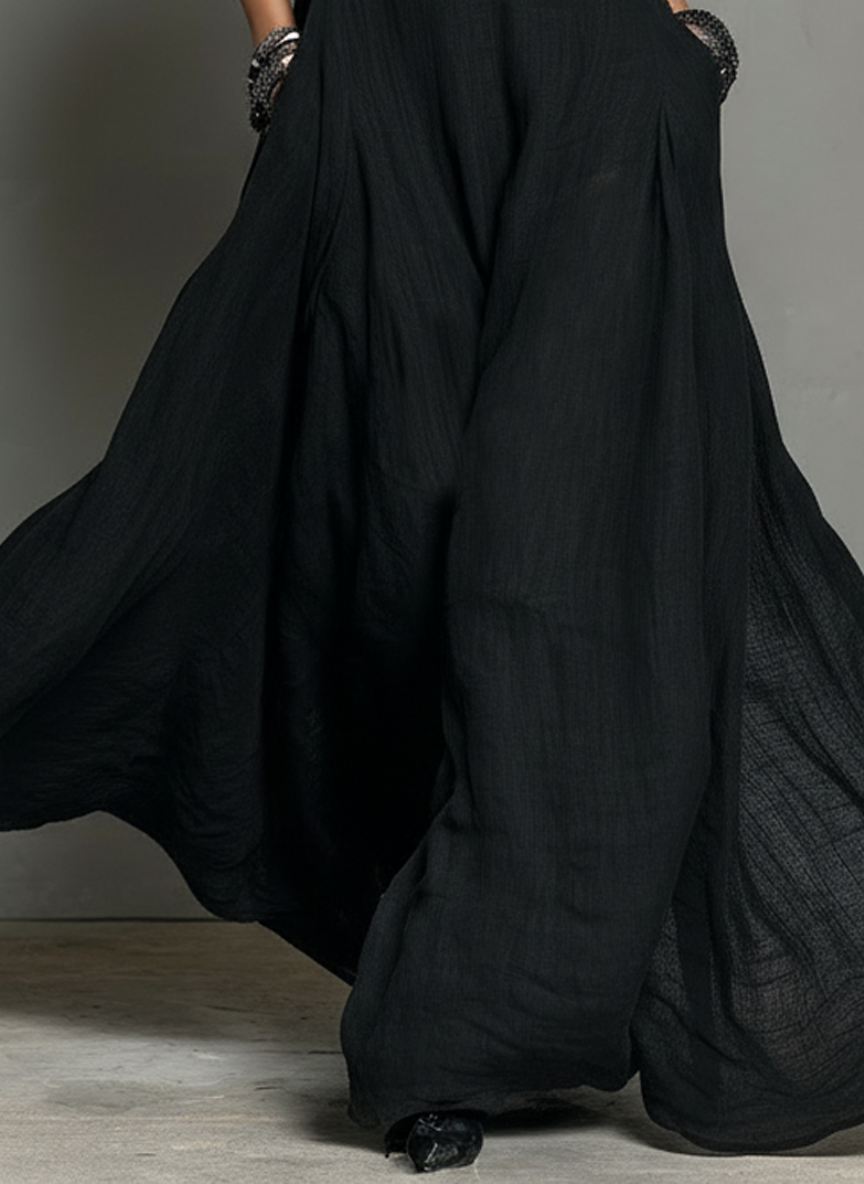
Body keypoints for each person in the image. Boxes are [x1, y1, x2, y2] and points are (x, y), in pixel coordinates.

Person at [1, 0, 863, 1172]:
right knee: (386, 523)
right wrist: (284, 51)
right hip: (383, 72)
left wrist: (674, 30)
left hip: (600, 75)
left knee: (573, 540)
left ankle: (455, 1034)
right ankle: (477, 989)